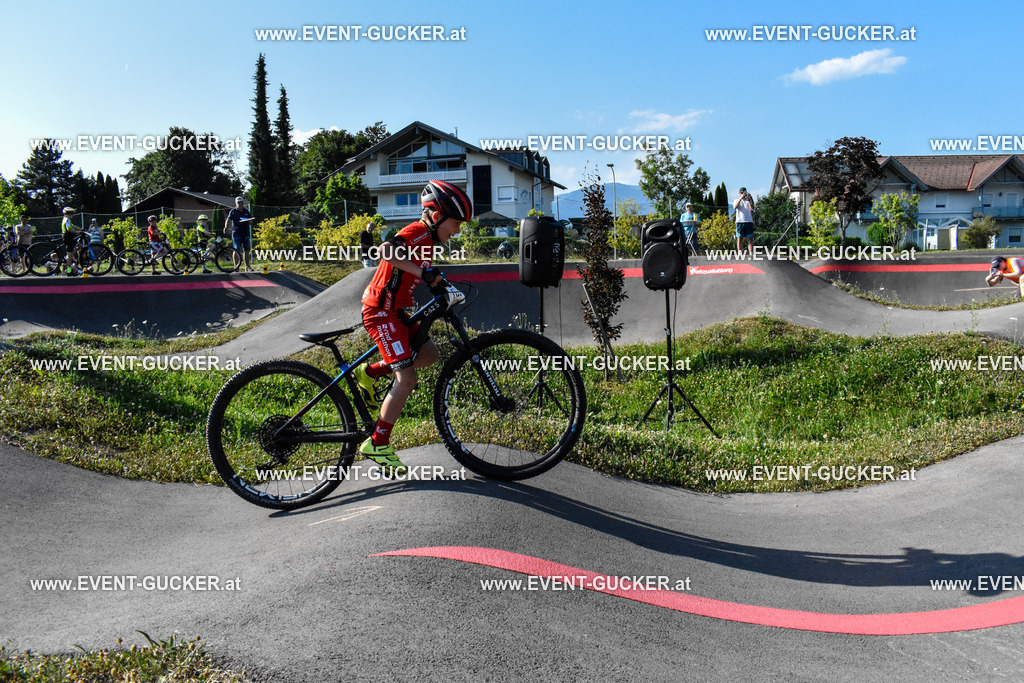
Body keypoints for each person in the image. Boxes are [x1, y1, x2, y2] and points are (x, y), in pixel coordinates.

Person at [354, 180, 472, 475]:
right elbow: (386, 251)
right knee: (406, 379)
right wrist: (423, 272)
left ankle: (369, 372)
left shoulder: (429, 241)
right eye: (456, 224)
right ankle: (378, 443)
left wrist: (436, 279)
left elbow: (415, 270)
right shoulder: (418, 232)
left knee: (428, 354)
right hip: (380, 312)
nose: (457, 231)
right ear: (436, 217)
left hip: (396, 311)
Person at [225, 196, 253, 271]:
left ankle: (247, 266)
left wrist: (249, 221)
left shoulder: (246, 212)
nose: (240, 204)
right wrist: (226, 227)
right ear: (236, 203)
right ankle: (236, 267)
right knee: (236, 249)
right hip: (236, 233)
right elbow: (229, 220)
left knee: (246, 249)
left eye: (241, 202)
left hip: (245, 233)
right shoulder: (233, 211)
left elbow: (251, 222)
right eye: (239, 203)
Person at [61, 207, 85, 275]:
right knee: (69, 256)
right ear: (68, 214)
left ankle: (71, 254)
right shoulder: (67, 220)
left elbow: (73, 226)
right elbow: (69, 229)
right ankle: (69, 271)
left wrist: (80, 229)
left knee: (80, 246)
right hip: (68, 238)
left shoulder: (67, 220)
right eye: (71, 214)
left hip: (70, 238)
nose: (72, 215)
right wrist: (78, 232)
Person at [733, 188, 755, 255]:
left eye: (744, 193)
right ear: (740, 193)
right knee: (740, 238)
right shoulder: (736, 200)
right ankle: (740, 253)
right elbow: (735, 207)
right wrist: (740, 199)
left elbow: (752, 208)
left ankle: (751, 253)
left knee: (750, 238)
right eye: (742, 193)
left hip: (748, 221)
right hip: (740, 221)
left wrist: (749, 199)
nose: (743, 195)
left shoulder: (748, 201)